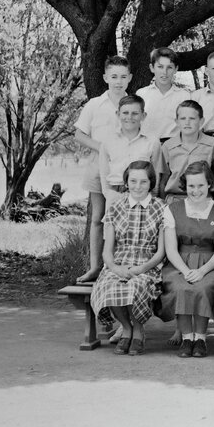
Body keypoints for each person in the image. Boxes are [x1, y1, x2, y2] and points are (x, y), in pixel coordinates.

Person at [89, 161, 166, 356]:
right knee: (110, 285)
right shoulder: (115, 207)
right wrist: (115, 268)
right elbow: (107, 251)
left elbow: (161, 253)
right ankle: (126, 328)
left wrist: (142, 268)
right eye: (133, 181)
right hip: (119, 263)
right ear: (126, 182)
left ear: (151, 183)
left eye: (143, 182)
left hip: (147, 265)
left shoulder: (161, 208)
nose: (137, 186)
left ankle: (138, 330)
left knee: (136, 285)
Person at [158, 160, 214, 358]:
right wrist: (185, 271)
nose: (196, 191)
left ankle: (201, 339)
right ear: (185, 186)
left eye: (201, 185)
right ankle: (187, 338)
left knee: (202, 287)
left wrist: (203, 271)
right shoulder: (173, 209)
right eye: (191, 186)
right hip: (179, 263)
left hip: (209, 263)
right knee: (181, 287)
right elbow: (171, 249)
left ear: (210, 184)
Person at [74, 55, 131, 283]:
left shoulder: (134, 103)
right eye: (114, 76)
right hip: (99, 166)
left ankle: (121, 267)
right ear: (106, 77)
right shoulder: (95, 104)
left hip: (127, 169)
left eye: (123, 77)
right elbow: (79, 134)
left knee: (126, 219)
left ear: (130, 78)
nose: (118, 81)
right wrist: (103, 148)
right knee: (99, 217)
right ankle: (95, 267)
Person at [98, 95, 163, 204]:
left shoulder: (152, 142)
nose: (130, 117)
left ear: (143, 115)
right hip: (115, 193)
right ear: (118, 114)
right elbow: (104, 173)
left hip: (143, 193)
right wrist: (108, 194)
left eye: (135, 113)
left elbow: (156, 173)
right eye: (125, 113)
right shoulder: (108, 141)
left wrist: (151, 196)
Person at [158, 100, 214, 203]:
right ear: (177, 121)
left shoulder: (212, 144)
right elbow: (163, 180)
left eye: (192, 118)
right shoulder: (168, 146)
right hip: (174, 199)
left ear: (201, 121)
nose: (187, 122)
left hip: (203, 198)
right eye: (183, 118)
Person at [137, 48, 191, 143]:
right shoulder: (141, 94)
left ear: (176, 69)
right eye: (160, 67)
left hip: (174, 148)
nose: (164, 72)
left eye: (169, 67)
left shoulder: (185, 96)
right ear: (152, 68)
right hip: (147, 147)